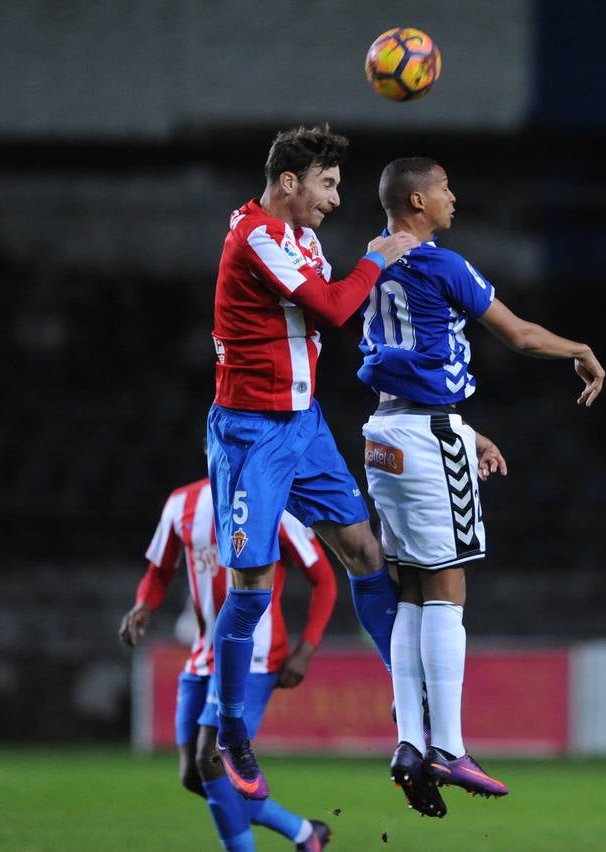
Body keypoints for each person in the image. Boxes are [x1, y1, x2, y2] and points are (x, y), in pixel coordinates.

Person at [357, 157, 605, 816]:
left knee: (411, 587)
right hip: (427, 439)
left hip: (383, 434)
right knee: (448, 586)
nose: (453, 198)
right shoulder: (442, 265)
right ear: (416, 199)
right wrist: (577, 348)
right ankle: (451, 747)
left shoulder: (372, 260)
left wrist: (462, 431)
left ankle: (411, 741)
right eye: (443, 188)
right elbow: (520, 336)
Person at [206, 124, 421, 800]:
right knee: (252, 586)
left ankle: (409, 697)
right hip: (251, 435)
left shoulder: (301, 237)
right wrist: (377, 258)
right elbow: (331, 306)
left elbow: (337, 309)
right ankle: (231, 729)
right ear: (290, 182)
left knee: (364, 551)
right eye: (327, 185)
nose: (334, 198)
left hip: (305, 427)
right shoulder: (257, 236)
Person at [120, 479, 336, 852]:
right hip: (203, 652)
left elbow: (325, 580)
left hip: (256, 652)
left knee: (211, 760)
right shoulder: (180, 503)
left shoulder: (273, 501)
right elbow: (159, 571)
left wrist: (306, 648)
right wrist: (144, 604)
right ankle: (304, 833)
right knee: (195, 774)